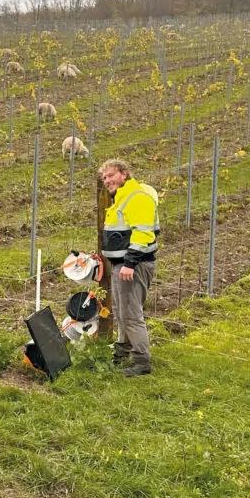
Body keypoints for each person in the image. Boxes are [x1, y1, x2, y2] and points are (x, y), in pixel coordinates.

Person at [99, 159, 160, 377]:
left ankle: (141, 361)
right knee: (123, 312)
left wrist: (130, 262)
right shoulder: (122, 198)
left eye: (111, 175)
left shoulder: (136, 197)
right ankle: (122, 353)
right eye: (104, 178)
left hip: (132, 265)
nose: (107, 181)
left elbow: (143, 232)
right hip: (122, 265)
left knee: (131, 314)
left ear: (124, 174)